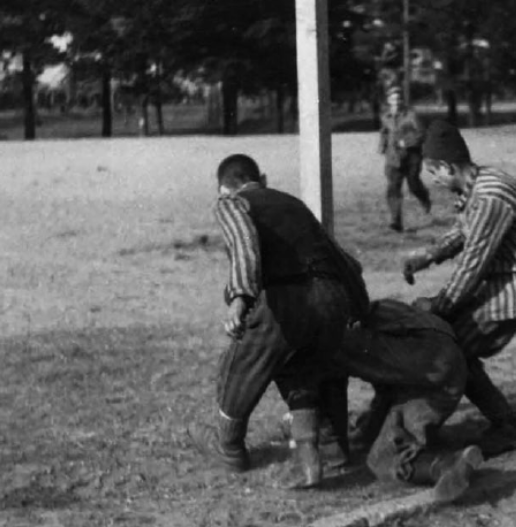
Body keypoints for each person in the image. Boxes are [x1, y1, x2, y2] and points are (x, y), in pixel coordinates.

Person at [191, 154, 370, 488]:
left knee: (243, 364)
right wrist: (360, 307)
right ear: (264, 178)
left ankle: (229, 448)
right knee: (305, 367)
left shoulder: (232, 203)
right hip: (333, 297)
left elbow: (245, 244)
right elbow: (343, 260)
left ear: (223, 188)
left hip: (287, 300)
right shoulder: (295, 204)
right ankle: (323, 451)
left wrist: (241, 298)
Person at [401, 119, 516, 455]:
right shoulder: (478, 182)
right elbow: (466, 230)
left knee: (454, 348)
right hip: (505, 275)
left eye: (433, 174)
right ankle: (503, 422)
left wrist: (442, 305)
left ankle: (505, 427)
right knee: (457, 346)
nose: (432, 181)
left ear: (446, 167)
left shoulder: (490, 197)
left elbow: (475, 261)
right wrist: (429, 255)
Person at [329, 299, 483, 503]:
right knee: (394, 428)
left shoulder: (339, 339)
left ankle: (448, 465)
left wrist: (332, 446)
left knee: (381, 460)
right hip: (448, 370)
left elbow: (329, 394)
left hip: (426, 376)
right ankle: (444, 458)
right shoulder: (385, 308)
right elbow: (386, 390)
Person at [379, 86, 431, 232]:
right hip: (393, 158)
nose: (397, 101)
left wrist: (407, 142)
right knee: (393, 188)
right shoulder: (386, 116)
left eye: (399, 98)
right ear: (389, 100)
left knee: (413, 184)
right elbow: (384, 132)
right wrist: (382, 147)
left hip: (412, 157)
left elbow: (422, 134)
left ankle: (424, 198)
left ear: (402, 100)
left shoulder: (411, 115)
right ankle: (395, 222)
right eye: (393, 99)